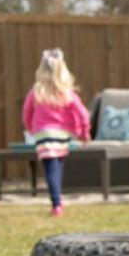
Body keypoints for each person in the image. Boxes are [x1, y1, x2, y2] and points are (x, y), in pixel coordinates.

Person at [22, 48, 91, 217]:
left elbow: (26, 113)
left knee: (50, 168)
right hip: (62, 135)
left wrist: (30, 128)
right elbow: (82, 113)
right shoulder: (67, 93)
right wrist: (84, 131)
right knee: (57, 166)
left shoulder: (36, 92)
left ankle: (56, 202)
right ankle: (58, 199)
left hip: (43, 135)